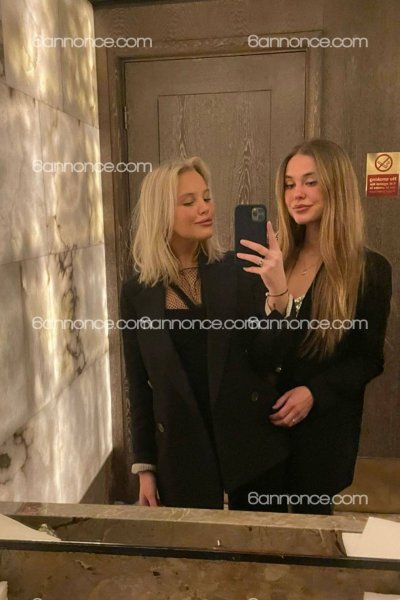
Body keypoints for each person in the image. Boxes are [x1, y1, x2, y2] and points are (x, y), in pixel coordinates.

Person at [120, 156, 289, 510]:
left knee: (260, 542)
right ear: (161, 212)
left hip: (250, 450)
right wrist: (145, 467)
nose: (205, 208)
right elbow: (139, 385)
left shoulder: (237, 272)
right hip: (181, 456)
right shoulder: (137, 293)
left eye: (207, 197)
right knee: (196, 544)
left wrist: (277, 296)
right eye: (189, 201)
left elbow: (266, 358)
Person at [237, 139, 392, 514]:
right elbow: (253, 353)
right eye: (289, 184)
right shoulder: (270, 262)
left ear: (336, 186)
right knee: (256, 538)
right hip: (259, 437)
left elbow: (367, 359)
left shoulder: (368, 271)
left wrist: (314, 393)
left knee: (311, 538)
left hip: (320, 437)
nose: (297, 194)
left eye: (310, 182)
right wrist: (277, 293)